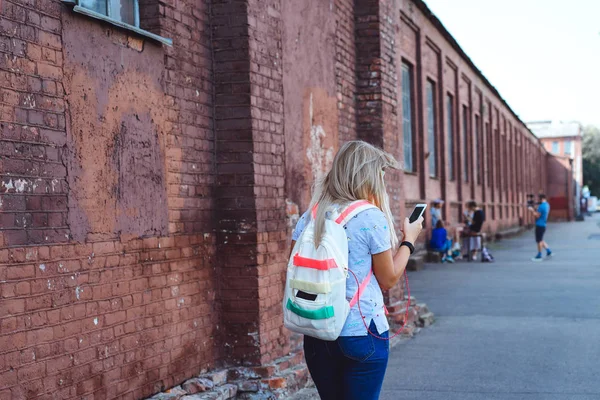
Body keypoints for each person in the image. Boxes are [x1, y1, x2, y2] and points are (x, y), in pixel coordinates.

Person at [290, 141, 424, 400]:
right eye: (381, 173)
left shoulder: (312, 215)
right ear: (368, 175)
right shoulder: (370, 217)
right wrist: (409, 240)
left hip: (318, 331)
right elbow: (388, 279)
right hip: (362, 332)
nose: (383, 180)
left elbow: (294, 267)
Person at [529, 193, 552, 261]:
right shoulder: (547, 205)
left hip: (539, 225)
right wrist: (536, 208)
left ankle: (539, 255)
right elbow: (541, 212)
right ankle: (548, 251)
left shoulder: (541, 206)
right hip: (544, 224)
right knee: (541, 239)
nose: (538, 200)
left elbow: (537, 215)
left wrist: (532, 210)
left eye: (539, 199)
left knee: (539, 240)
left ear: (541, 199)